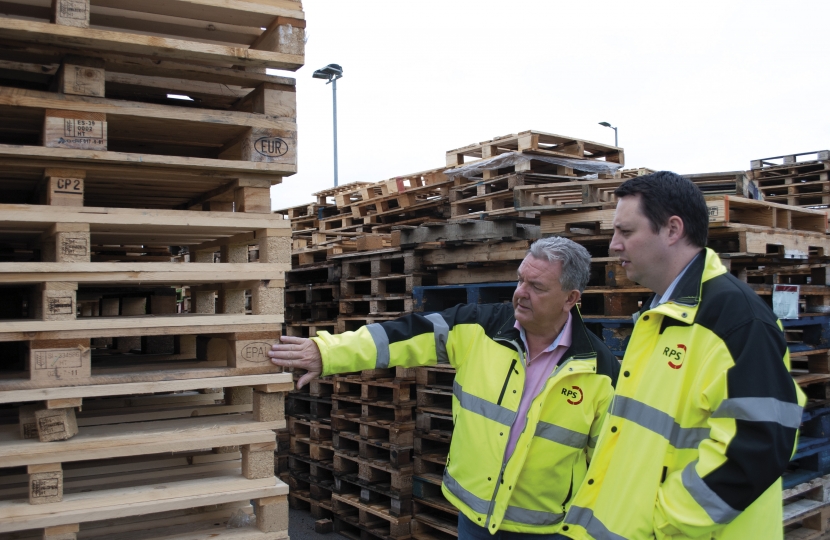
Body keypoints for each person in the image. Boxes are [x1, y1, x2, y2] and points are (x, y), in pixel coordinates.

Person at [270, 237, 619, 538]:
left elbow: (613, 466)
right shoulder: (480, 327)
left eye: (537, 287)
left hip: (549, 531)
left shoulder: (600, 371)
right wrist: (326, 351)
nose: (520, 294)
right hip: (474, 519)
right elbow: (402, 336)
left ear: (571, 298)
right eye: (520, 280)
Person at [559, 171, 807, 540]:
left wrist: (664, 522)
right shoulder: (664, 314)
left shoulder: (736, 320)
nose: (613, 245)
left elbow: (757, 448)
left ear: (672, 230)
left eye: (626, 232)